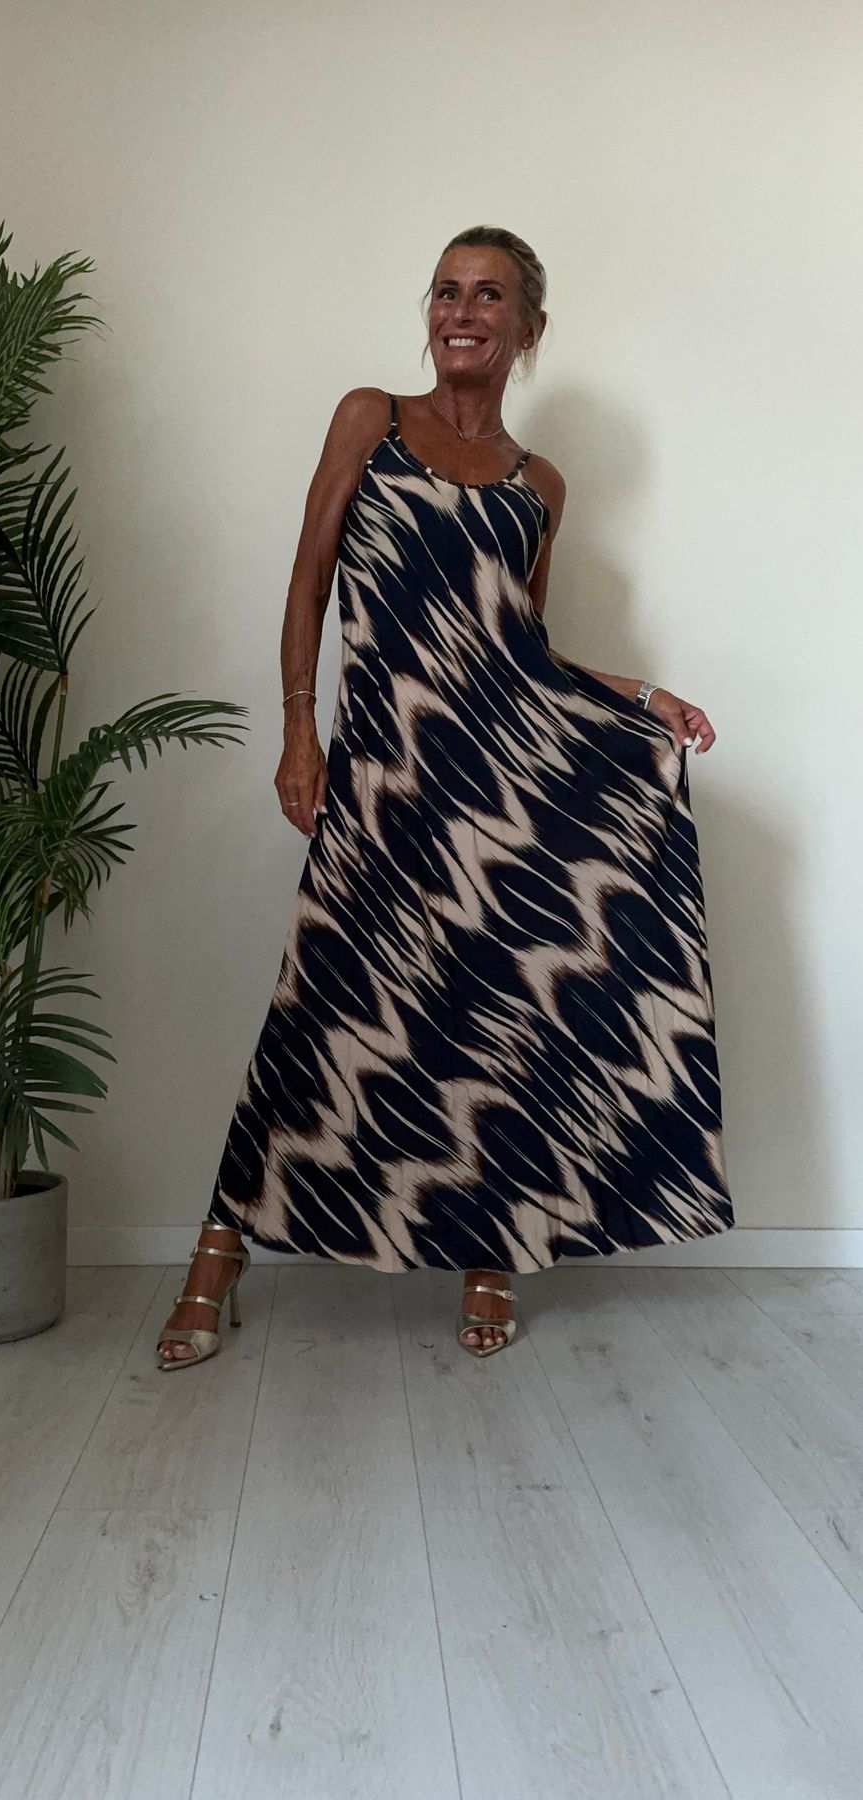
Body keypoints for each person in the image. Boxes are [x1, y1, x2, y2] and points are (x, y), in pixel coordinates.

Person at [156, 224, 733, 1371]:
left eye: (488, 295)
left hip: (498, 797)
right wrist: (298, 728)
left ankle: (488, 1249)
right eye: (445, 291)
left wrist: (640, 697)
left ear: (528, 326)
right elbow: (307, 581)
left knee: (497, 1011)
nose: (460, 311)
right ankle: (218, 1252)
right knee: (320, 1004)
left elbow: (521, 653)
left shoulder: (538, 486)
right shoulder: (369, 419)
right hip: (381, 776)